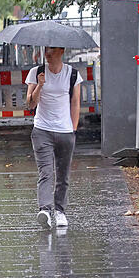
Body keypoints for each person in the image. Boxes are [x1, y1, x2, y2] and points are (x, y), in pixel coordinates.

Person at [25, 46, 82, 229]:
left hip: (65, 131)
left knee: (63, 175)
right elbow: (30, 104)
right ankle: (44, 210)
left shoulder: (72, 74)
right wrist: (40, 85)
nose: (48, 53)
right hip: (42, 130)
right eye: (46, 49)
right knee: (46, 172)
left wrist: (72, 130)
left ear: (61, 51)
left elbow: (75, 103)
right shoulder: (37, 72)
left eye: (52, 50)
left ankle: (60, 211)